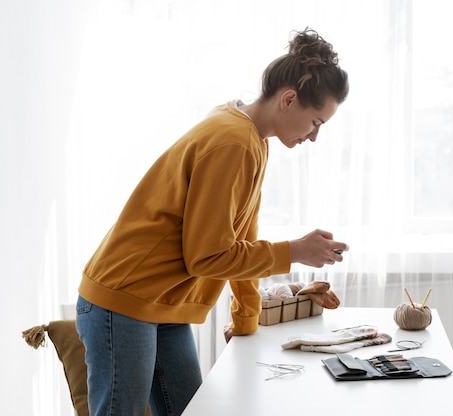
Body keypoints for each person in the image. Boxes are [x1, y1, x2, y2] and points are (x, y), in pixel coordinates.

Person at [76, 28, 349, 416]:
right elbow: (207, 257)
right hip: (126, 299)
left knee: (192, 408)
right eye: (316, 122)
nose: (315, 136)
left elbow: (241, 236)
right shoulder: (233, 142)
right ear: (289, 99)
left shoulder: (250, 137)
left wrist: (245, 319)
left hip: (162, 301)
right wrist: (294, 252)